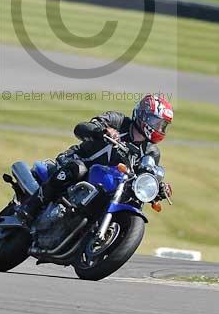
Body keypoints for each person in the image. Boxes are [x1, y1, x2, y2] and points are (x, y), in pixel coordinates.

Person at [16, 93, 174, 226]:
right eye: (157, 123)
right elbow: (82, 128)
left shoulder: (151, 151)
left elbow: (146, 174)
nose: (160, 129)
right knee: (77, 169)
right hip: (79, 160)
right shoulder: (117, 120)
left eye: (163, 126)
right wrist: (102, 131)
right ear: (144, 116)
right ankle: (32, 206)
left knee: (130, 197)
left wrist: (157, 187)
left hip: (104, 182)